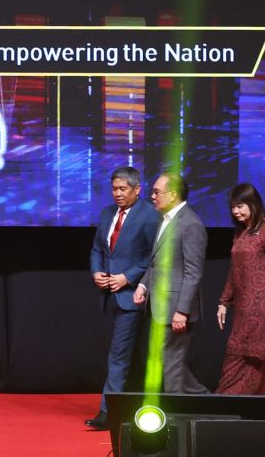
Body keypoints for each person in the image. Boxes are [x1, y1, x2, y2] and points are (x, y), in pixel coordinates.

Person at [85, 166, 160, 431]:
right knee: (126, 356)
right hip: (108, 297)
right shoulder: (107, 213)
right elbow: (97, 248)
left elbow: (154, 256)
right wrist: (96, 272)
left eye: (123, 189)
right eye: (114, 189)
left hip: (132, 299)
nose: (117, 193)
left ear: (137, 189)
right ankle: (130, 406)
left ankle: (108, 413)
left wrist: (127, 277)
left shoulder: (150, 216)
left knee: (118, 357)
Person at [132, 171, 210, 394]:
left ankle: (175, 411)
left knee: (172, 364)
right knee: (167, 360)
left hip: (175, 309)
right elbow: (157, 263)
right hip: (159, 305)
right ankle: (203, 398)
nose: (152, 196)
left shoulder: (191, 224)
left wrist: (182, 311)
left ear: (173, 194)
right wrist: (143, 285)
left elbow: (193, 272)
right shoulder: (165, 220)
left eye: (157, 192)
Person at [215, 182, 265, 394]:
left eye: (240, 206)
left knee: (256, 360)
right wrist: (223, 302)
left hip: (262, 309)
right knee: (245, 359)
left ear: (253, 204)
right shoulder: (240, 233)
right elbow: (234, 271)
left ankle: (231, 404)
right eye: (233, 207)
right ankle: (262, 407)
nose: (236, 211)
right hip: (242, 310)